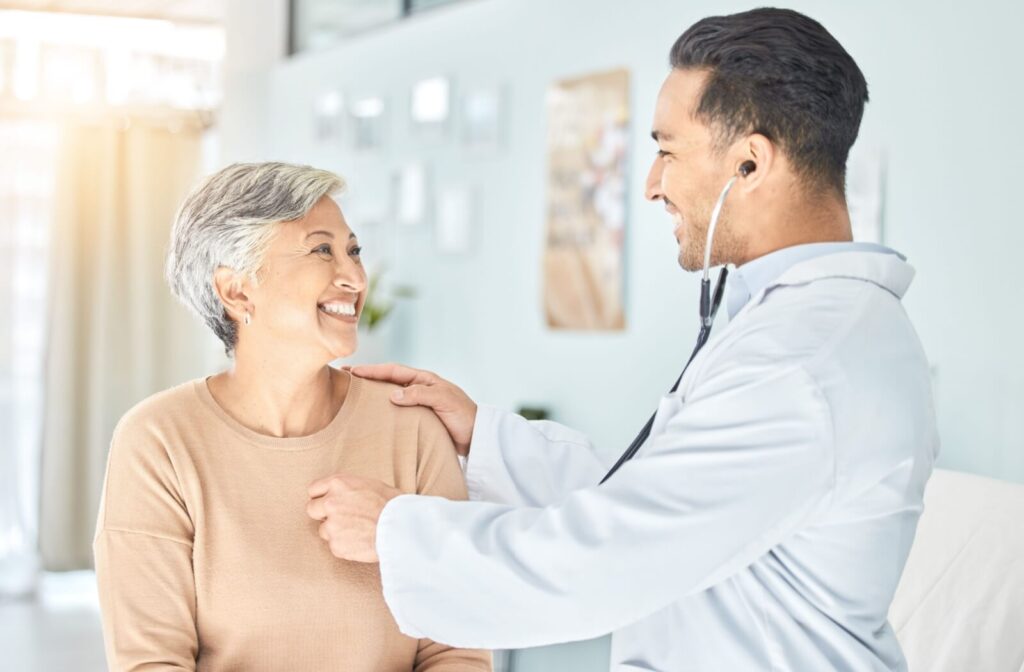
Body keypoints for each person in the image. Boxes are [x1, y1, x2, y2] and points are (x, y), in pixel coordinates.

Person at [305, 8, 939, 671]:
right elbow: (662, 499)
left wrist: (396, 533)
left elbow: (608, 558)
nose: (651, 184)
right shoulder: (803, 330)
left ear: (750, 165)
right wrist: (485, 438)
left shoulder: (803, 364)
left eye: (667, 150)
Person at [93, 162, 491, 671]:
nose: (354, 277)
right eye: (321, 249)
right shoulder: (158, 441)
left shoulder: (411, 425)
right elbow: (151, 661)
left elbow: (456, 651)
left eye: (353, 250)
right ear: (237, 291)